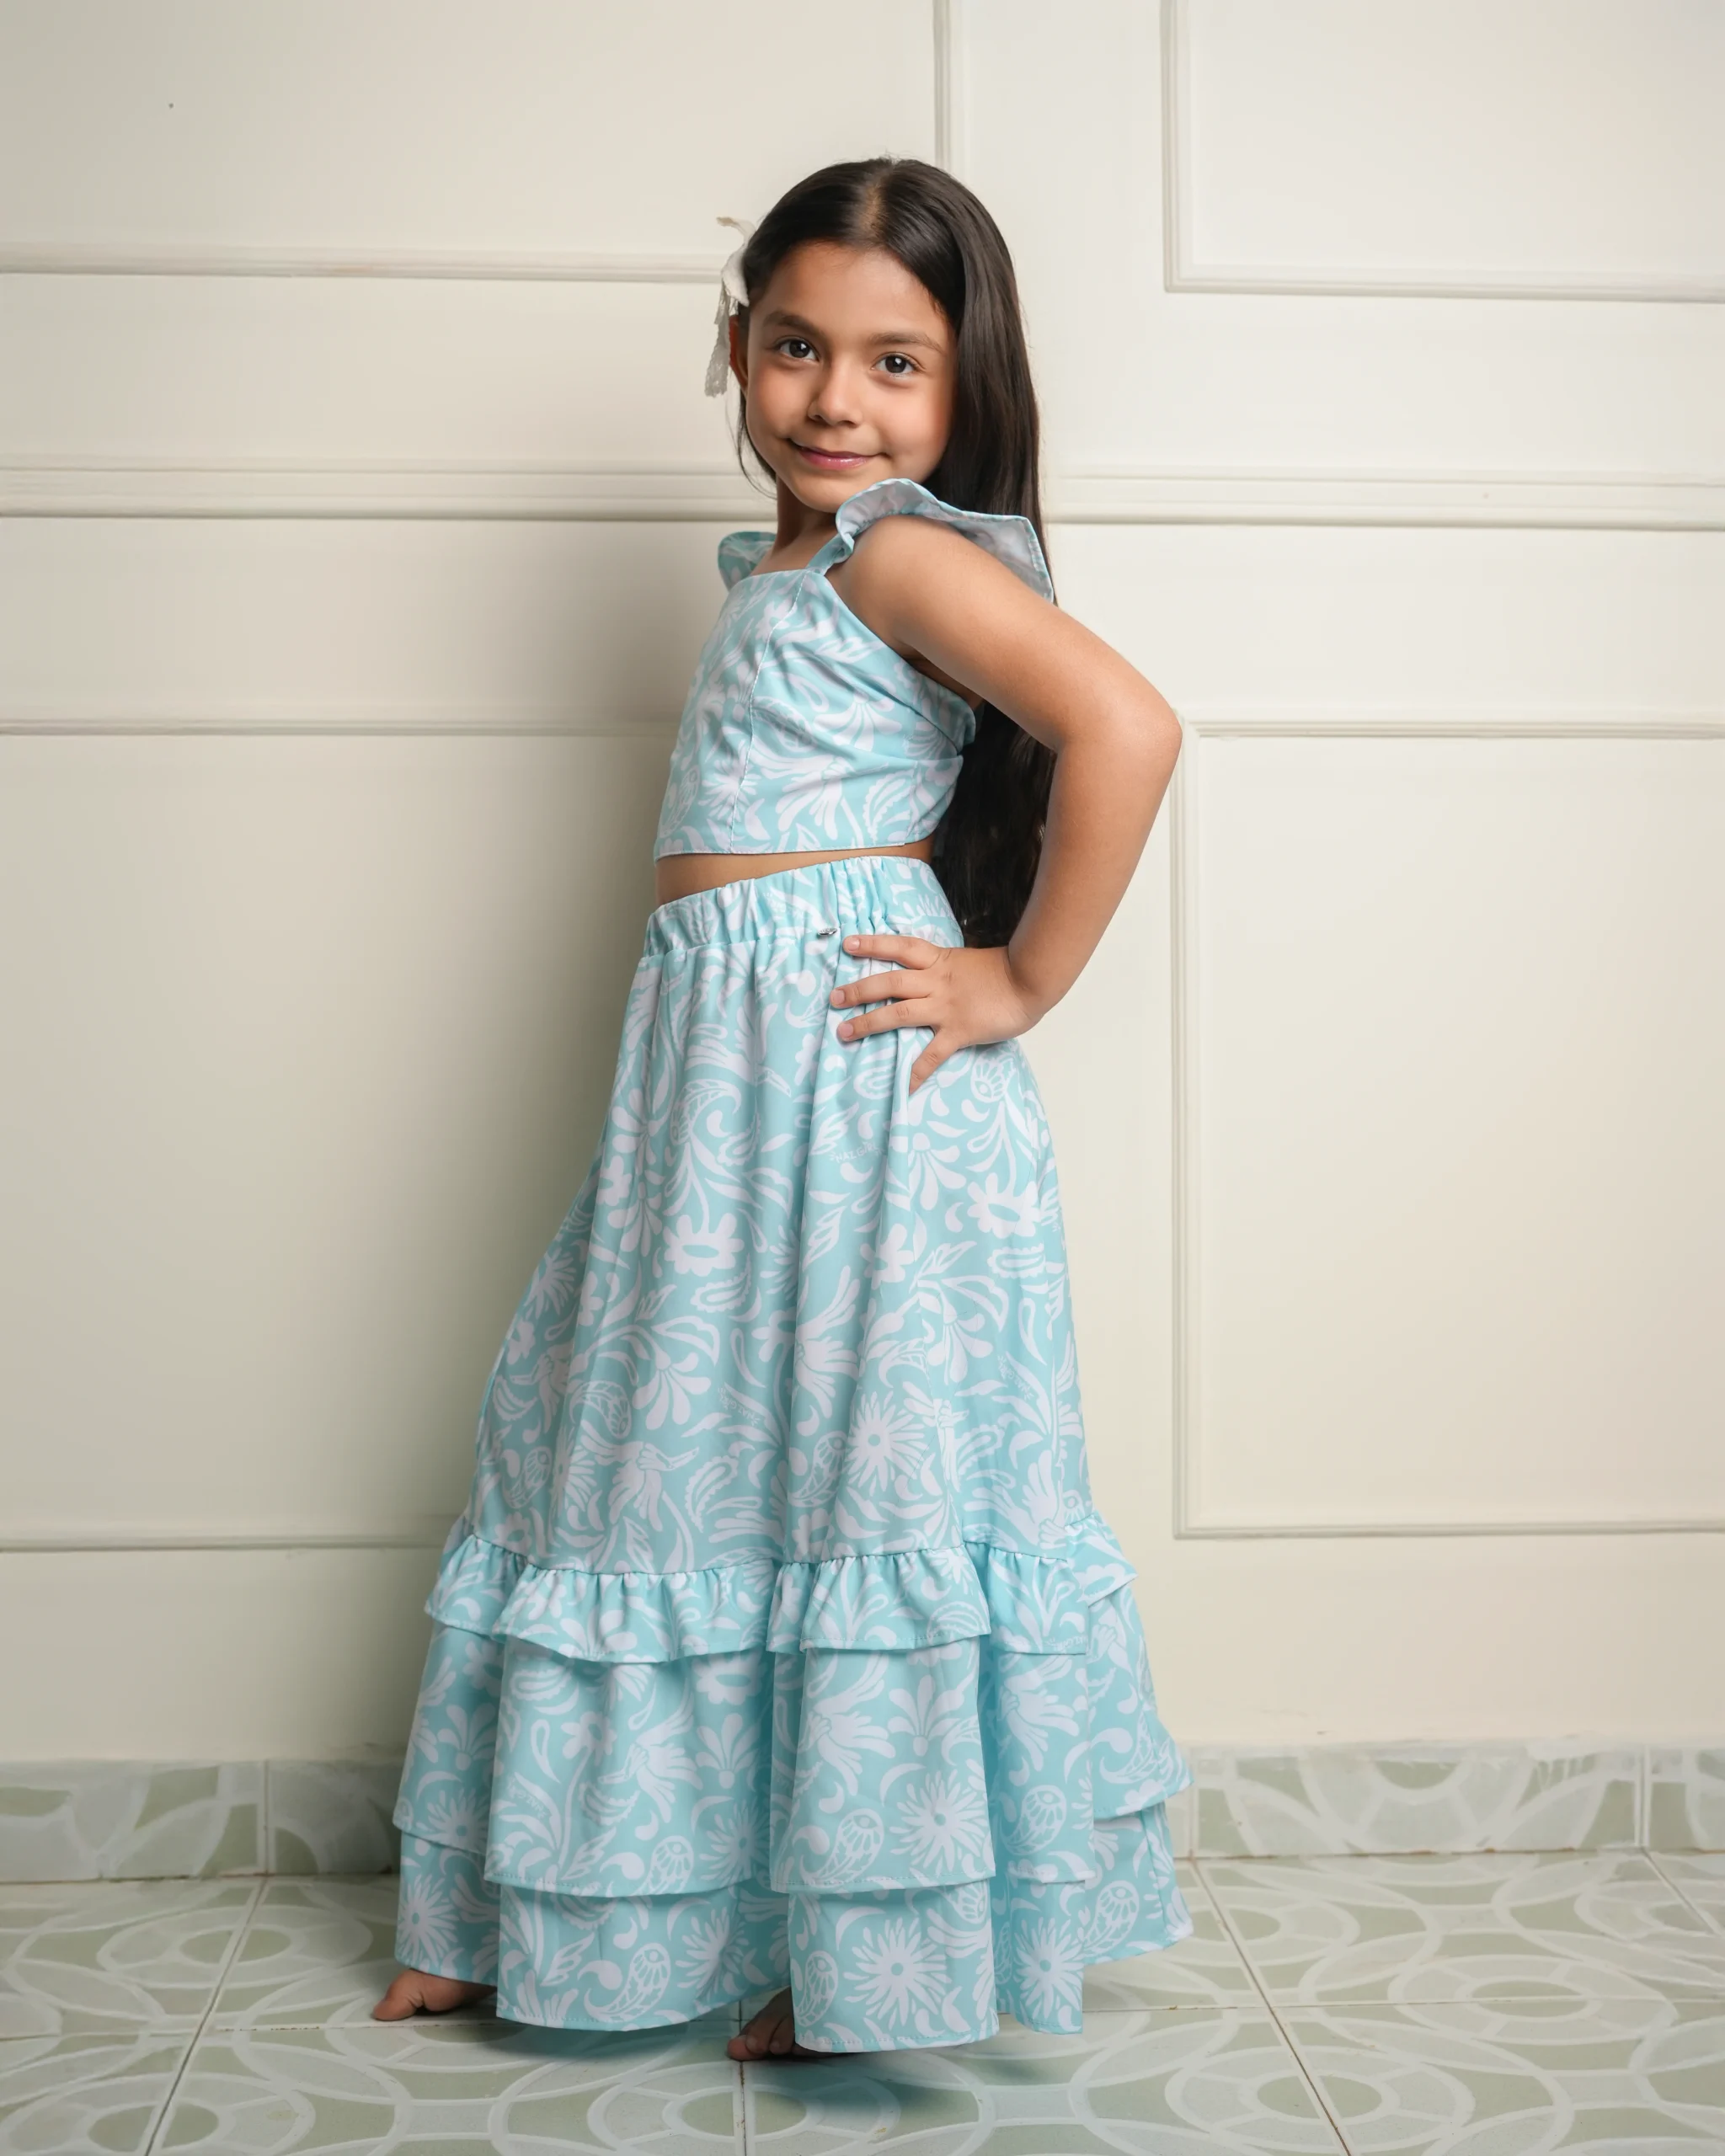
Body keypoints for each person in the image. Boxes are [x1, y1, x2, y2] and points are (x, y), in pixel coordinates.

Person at [373, 155, 1192, 2058]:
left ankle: (867, 1962)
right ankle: (552, 1908)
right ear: (735, 343)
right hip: (725, 1092)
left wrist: (1016, 978)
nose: (837, 400)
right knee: (629, 1455)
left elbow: (1129, 727)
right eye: (798, 347)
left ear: (964, 384)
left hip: (846, 1101)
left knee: (845, 1490)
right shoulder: (788, 574)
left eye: (896, 362)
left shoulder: (901, 553)